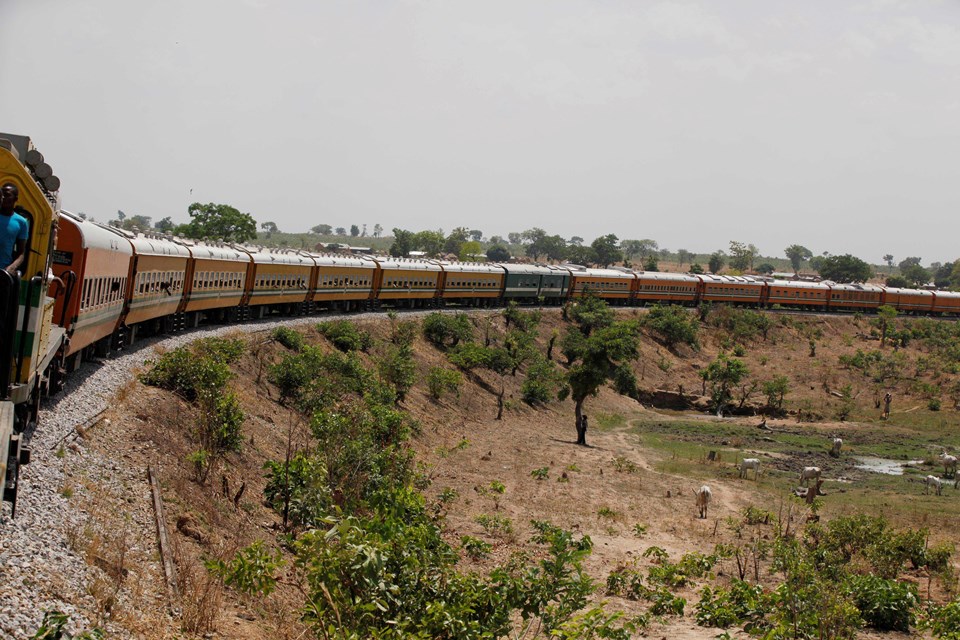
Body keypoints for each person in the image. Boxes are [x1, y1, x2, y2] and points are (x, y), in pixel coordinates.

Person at [1, 183, 28, 275]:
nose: (3, 197)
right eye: (2, 195)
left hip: (3, 272)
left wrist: (11, 268)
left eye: (7, 195)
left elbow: (21, 253)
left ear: (15, 199)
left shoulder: (21, 222)